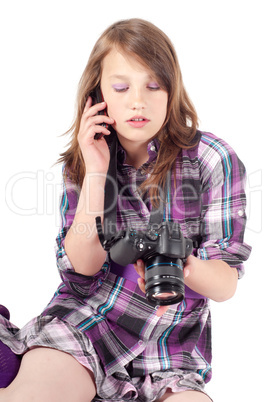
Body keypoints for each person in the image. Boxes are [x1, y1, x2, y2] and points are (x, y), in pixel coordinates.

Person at [0, 18, 251, 401]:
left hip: (172, 354)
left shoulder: (211, 159)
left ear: (172, 90)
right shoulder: (85, 162)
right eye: (121, 87)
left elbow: (225, 284)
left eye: (154, 85)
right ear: (97, 95)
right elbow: (81, 271)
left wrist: (183, 264)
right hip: (86, 327)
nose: (138, 100)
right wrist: (97, 171)